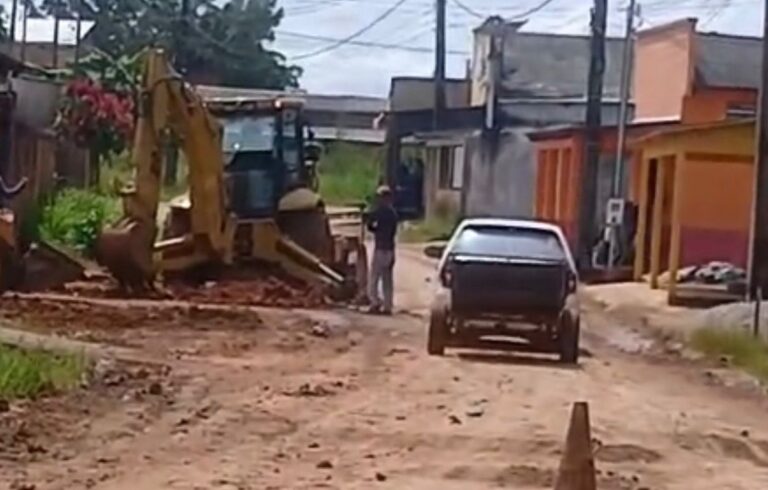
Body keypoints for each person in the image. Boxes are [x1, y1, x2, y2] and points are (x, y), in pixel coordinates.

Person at [366, 185, 398, 315]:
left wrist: (369, 224)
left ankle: (375, 303)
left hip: (380, 249)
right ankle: (387, 306)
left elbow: (370, 223)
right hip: (390, 249)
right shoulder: (393, 214)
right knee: (387, 280)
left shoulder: (380, 212)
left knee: (374, 278)